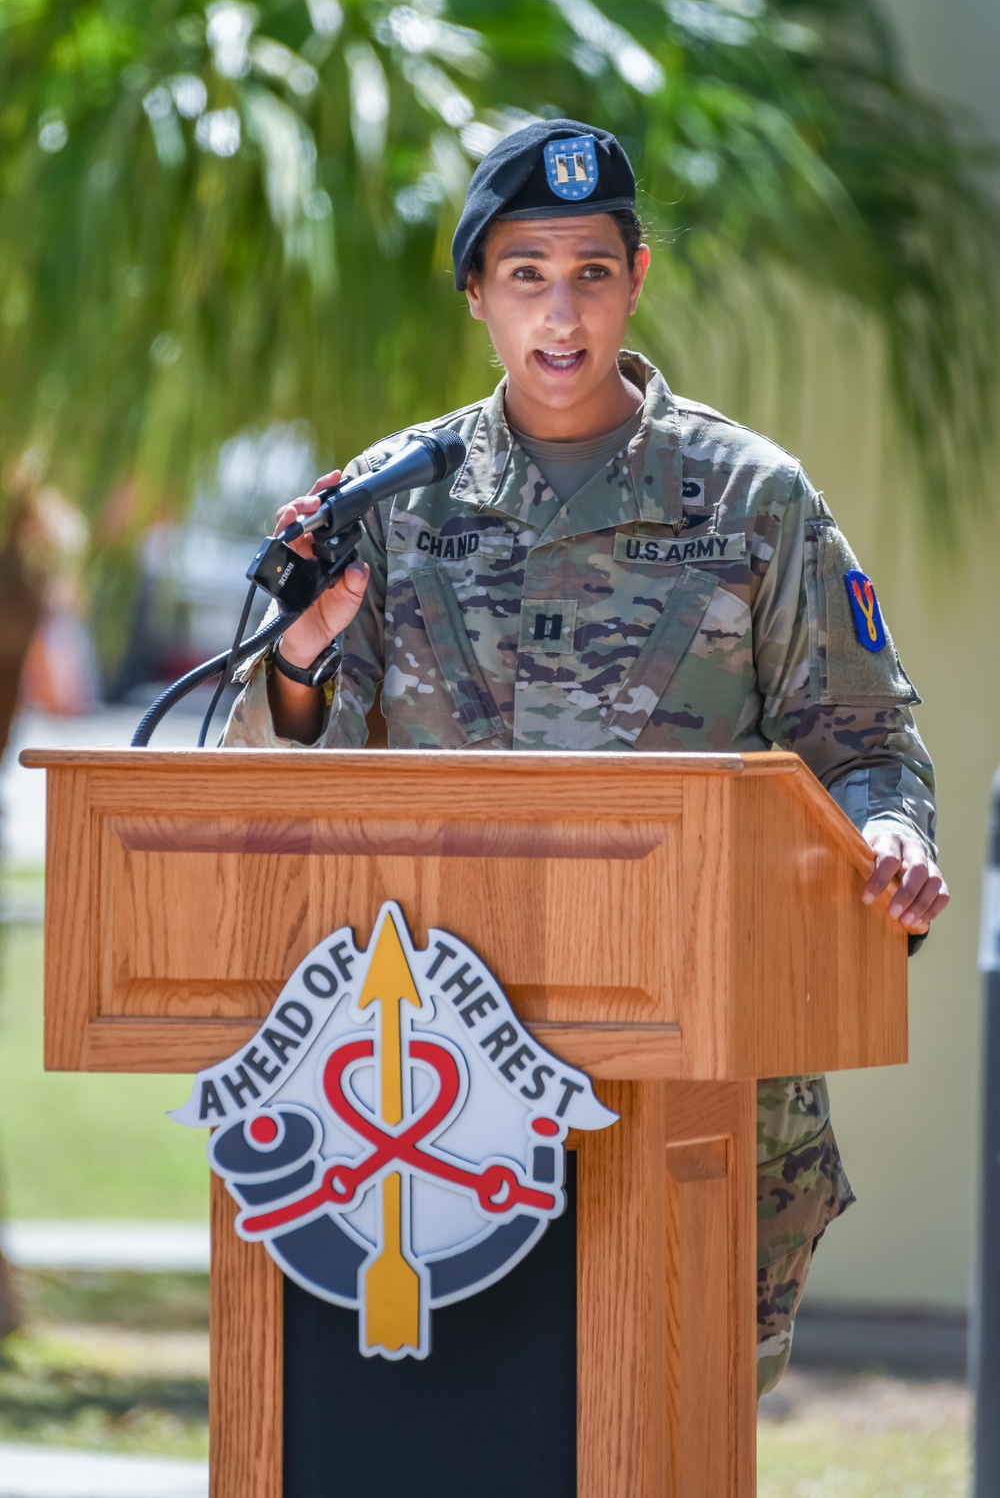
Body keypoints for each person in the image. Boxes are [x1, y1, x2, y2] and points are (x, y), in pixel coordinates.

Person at [222, 119, 949, 1395]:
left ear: (637, 277)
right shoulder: (393, 503)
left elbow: (867, 741)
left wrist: (888, 835)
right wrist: (300, 658)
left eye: (591, 273)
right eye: (525, 276)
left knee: (667, 1419)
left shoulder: (748, 499)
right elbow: (287, 779)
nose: (561, 314)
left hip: (701, 1073)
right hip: (443, 1097)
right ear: (475, 295)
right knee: (456, 1431)